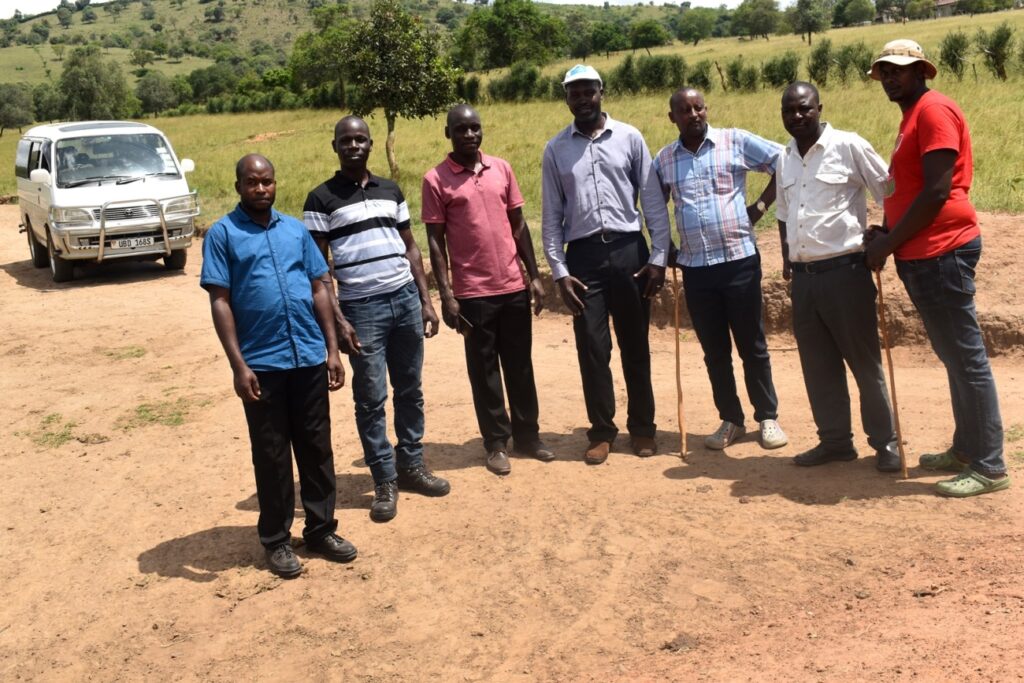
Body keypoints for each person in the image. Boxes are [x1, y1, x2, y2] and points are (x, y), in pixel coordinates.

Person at [200, 154, 356, 578]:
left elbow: (320, 287)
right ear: (238, 187)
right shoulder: (222, 235)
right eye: (252, 183)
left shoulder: (295, 231)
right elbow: (220, 300)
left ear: (275, 183)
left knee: (316, 447)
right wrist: (238, 365)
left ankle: (322, 530)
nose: (261, 189)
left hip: (307, 356)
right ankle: (277, 539)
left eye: (267, 181)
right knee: (271, 455)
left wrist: (332, 349)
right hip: (261, 365)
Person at [865, 39, 1009, 497]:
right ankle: (967, 448)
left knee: (967, 361)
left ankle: (990, 466)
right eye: (885, 71)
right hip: (923, 251)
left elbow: (936, 191)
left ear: (922, 72)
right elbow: (908, 188)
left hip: (942, 250)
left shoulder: (933, 111)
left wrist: (890, 240)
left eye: (900, 70)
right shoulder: (913, 116)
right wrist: (885, 228)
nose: (891, 77)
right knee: (953, 357)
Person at [303, 116, 451, 522]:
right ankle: (384, 478)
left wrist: (425, 300)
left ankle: (412, 465)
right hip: (361, 309)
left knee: (410, 390)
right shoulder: (320, 199)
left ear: (370, 144)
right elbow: (319, 270)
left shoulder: (391, 189)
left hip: (404, 300)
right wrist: (338, 320)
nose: (353, 145)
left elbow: (411, 249)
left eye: (360, 139)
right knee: (370, 399)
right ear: (334, 146)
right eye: (345, 140)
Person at [540, 64, 672, 465]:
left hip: (629, 252)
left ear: (601, 92)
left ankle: (644, 429)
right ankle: (601, 431)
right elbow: (551, 218)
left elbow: (651, 200)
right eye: (573, 93)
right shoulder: (555, 149)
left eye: (588, 91)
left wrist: (658, 257)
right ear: (566, 99)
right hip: (583, 259)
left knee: (636, 345)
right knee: (593, 349)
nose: (581, 99)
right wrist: (560, 273)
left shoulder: (630, 137)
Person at [651, 87, 788, 452]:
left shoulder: (734, 141)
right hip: (695, 269)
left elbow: (784, 160)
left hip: (740, 260)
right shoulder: (664, 160)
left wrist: (759, 206)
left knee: (752, 345)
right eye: (684, 110)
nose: (693, 114)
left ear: (706, 109)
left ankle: (767, 418)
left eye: (698, 107)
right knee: (714, 351)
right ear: (672, 118)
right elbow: (652, 206)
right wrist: (664, 248)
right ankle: (731, 419)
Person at [423, 104, 555, 476]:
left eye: (475, 128)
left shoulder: (502, 168)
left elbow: (519, 225)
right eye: (461, 129)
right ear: (447, 134)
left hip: (512, 285)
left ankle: (528, 436)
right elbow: (435, 242)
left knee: (520, 365)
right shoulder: (436, 180)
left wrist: (534, 275)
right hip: (473, 292)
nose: (469, 135)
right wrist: (447, 295)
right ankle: (496, 443)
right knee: (484, 370)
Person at [776, 82, 900, 472]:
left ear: (819, 108)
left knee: (864, 364)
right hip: (804, 278)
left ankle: (886, 443)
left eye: (804, 109)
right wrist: (787, 258)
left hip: (845, 272)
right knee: (818, 365)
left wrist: (885, 236)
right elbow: (783, 214)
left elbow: (891, 190)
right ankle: (834, 442)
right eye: (789, 111)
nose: (797, 116)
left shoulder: (848, 145)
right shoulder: (784, 159)